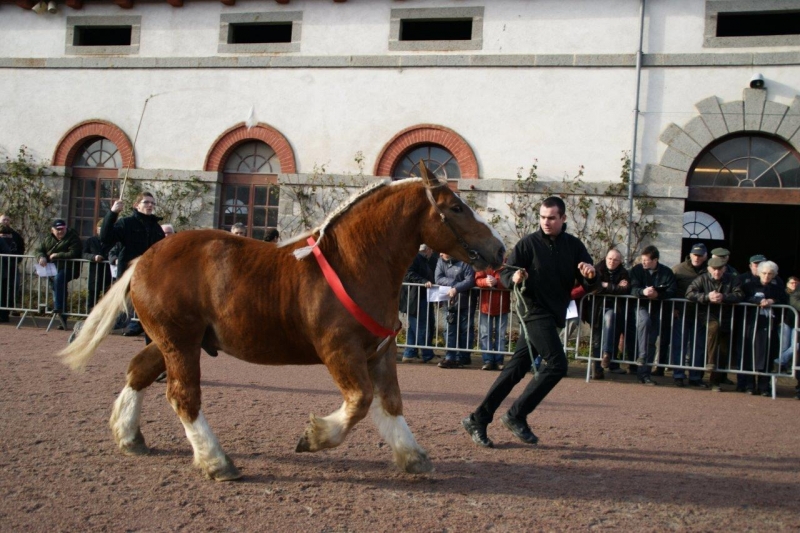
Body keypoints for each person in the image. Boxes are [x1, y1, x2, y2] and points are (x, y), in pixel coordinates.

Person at [462, 196, 597, 448]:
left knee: (515, 369)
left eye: (552, 218)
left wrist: (591, 275)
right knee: (557, 364)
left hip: (554, 315)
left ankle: (477, 419)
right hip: (533, 312)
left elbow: (589, 280)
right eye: (543, 217)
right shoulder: (528, 244)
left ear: (563, 219)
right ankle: (516, 415)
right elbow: (502, 272)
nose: (546, 222)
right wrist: (513, 276)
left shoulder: (574, 246)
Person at [101, 192, 166, 338]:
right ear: (136, 205)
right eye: (146, 202)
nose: (150, 205)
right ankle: (91, 328)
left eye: (152, 203)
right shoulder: (126, 223)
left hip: (149, 276)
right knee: (118, 314)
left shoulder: (156, 227)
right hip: (128, 274)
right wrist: (112, 213)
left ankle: (148, 339)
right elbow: (105, 237)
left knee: (150, 311)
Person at [685, 256, 744, 392]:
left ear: (724, 269)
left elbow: (740, 294)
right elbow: (689, 293)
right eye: (714, 269)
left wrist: (724, 297)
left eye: (719, 269)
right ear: (709, 269)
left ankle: (715, 382)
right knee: (714, 327)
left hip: (726, 317)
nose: (716, 272)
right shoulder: (702, 278)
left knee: (723, 350)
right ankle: (710, 361)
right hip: (707, 315)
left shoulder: (732, 279)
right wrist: (707, 297)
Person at [629, 245, 677, 386]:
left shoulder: (666, 272)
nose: (643, 262)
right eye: (642, 259)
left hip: (658, 310)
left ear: (655, 260)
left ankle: (645, 374)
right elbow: (632, 288)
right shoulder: (636, 270)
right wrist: (643, 292)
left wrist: (658, 295)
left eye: (646, 260)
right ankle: (642, 361)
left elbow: (672, 290)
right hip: (641, 306)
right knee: (644, 322)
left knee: (651, 341)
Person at [740, 260, 787, 396]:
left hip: (769, 326)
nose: (767, 276)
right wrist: (757, 301)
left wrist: (773, 301)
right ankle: (750, 385)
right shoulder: (749, 285)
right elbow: (742, 297)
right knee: (750, 355)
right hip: (752, 324)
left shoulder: (777, 287)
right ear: (759, 273)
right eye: (764, 273)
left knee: (767, 356)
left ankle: (764, 386)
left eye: (770, 274)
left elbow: (784, 300)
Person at [670, 242, 708, 387]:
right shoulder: (678, 269)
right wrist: (673, 308)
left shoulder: (709, 271)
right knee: (679, 344)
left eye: (700, 255)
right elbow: (671, 289)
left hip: (702, 313)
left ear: (705, 257)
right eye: (695, 254)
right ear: (690, 254)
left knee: (698, 345)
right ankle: (678, 374)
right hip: (682, 312)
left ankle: (695, 376)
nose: (697, 258)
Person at [589, 248, 631, 380]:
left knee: (611, 321)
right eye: (610, 259)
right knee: (597, 339)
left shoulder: (624, 273)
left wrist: (607, 285)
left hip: (615, 309)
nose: (612, 262)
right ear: (605, 258)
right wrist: (615, 287)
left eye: (616, 260)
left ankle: (607, 355)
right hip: (597, 309)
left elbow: (625, 289)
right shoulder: (597, 269)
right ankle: (597, 369)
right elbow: (595, 288)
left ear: (620, 261)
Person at [36, 219, 81, 330]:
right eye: (58, 229)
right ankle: (62, 320)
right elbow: (38, 249)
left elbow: (74, 252)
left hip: (68, 268)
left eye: (62, 229)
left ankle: (59, 308)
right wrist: (41, 256)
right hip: (52, 269)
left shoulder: (73, 237)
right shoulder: (48, 238)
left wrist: (58, 255)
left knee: (59, 280)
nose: (60, 231)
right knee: (57, 289)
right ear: (52, 230)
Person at [435, 252, 475, 368]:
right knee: (450, 330)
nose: (441, 254)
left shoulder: (465, 261)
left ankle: (464, 357)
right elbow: (438, 278)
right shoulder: (440, 261)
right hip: (450, 301)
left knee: (465, 330)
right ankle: (450, 357)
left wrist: (456, 288)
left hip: (466, 301)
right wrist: (455, 285)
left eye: (444, 252)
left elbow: (470, 280)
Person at [400, 244, 436, 363]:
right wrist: (423, 281)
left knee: (414, 327)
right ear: (428, 250)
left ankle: (409, 353)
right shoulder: (416, 259)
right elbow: (408, 273)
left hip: (417, 298)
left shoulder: (418, 259)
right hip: (416, 298)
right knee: (421, 327)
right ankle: (427, 354)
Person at [475, 266, 510, 371]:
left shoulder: (507, 266)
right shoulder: (483, 265)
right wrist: (485, 282)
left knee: (501, 335)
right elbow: (477, 280)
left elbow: (510, 281)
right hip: (486, 306)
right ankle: (488, 360)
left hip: (502, 306)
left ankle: (499, 361)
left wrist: (497, 283)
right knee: (485, 335)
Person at [81, 221, 114, 313]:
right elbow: (84, 254)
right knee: (92, 296)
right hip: (95, 273)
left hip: (108, 273)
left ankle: (105, 317)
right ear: (97, 229)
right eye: (100, 229)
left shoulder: (113, 241)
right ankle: (89, 316)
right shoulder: (91, 241)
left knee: (107, 296)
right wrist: (93, 257)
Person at [0, 214, 25, 323]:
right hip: (5, 268)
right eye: (3, 219)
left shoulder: (15, 235)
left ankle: (5, 314)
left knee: (8, 291)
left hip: (10, 268)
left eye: (7, 219)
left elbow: (20, 248)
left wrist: (15, 260)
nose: (5, 221)